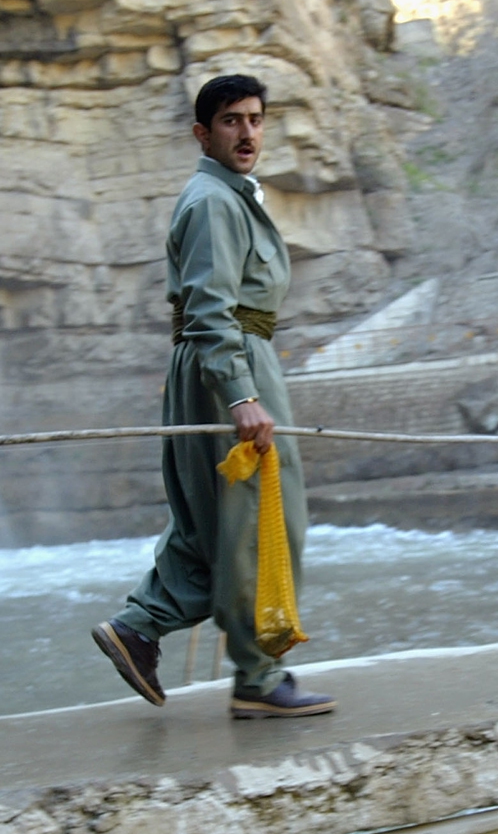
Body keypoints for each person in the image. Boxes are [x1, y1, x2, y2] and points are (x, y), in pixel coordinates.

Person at [92, 74, 336, 719]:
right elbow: (208, 308)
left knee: (214, 521)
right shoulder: (213, 203)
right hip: (231, 365)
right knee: (259, 519)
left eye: (256, 119)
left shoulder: (228, 196)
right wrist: (240, 395)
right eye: (232, 121)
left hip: (226, 362)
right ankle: (258, 678)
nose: (247, 132)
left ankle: (138, 629)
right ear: (203, 134)